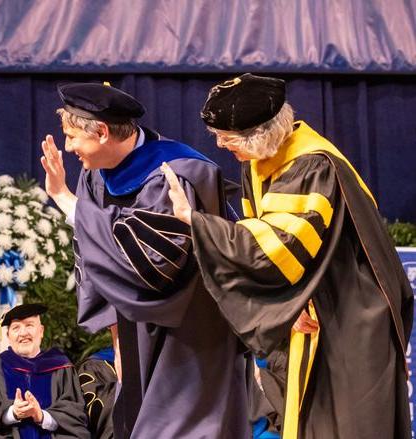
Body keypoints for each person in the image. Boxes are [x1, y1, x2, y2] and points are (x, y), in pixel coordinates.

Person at [162, 73, 413, 439]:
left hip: (352, 314)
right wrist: (286, 304)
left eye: (227, 137)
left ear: (261, 134)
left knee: (347, 423)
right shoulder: (262, 161)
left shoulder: (310, 165)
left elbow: (272, 249)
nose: (219, 145)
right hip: (318, 307)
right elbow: (272, 250)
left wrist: (193, 221)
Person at [40, 82, 248, 438]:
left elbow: (153, 265)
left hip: (189, 333)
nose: (69, 146)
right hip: (134, 329)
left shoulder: (177, 173)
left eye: (72, 136)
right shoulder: (97, 173)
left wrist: (64, 199)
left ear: (103, 132)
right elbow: (94, 260)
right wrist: (117, 338)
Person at [0, 303, 90, 438]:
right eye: (16, 327)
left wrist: (41, 415)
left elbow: (76, 416)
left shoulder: (62, 369)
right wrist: (12, 412)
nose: (23, 333)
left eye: (29, 325)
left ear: (41, 331)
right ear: (8, 336)